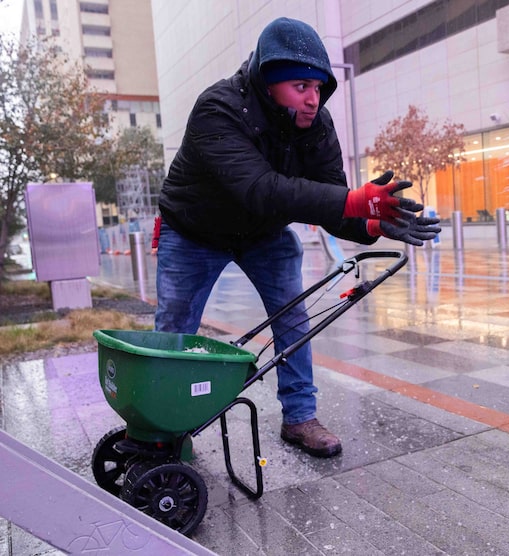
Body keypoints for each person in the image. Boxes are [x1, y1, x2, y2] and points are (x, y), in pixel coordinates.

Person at [154, 17, 440, 458]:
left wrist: (372, 223)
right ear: (268, 79)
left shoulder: (317, 126)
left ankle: (300, 417)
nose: (313, 99)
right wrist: (353, 200)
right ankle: (164, 425)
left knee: (292, 318)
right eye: (301, 86)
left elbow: (330, 200)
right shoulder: (219, 108)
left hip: (262, 233)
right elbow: (259, 188)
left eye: (319, 87)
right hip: (194, 232)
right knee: (175, 327)